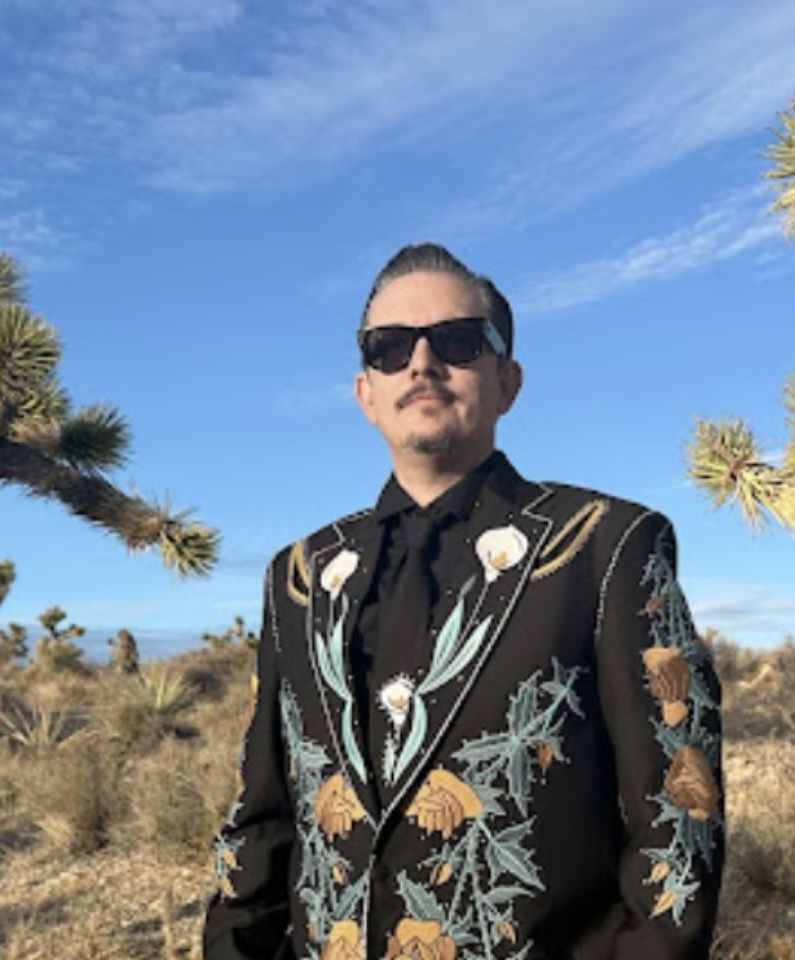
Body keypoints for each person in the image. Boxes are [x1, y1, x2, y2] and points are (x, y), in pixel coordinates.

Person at [201, 243, 723, 960]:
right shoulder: (299, 576)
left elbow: (680, 823)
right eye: (390, 348)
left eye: (457, 341)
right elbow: (259, 820)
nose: (421, 363)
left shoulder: (603, 549)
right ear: (366, 392)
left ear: (508, 382)